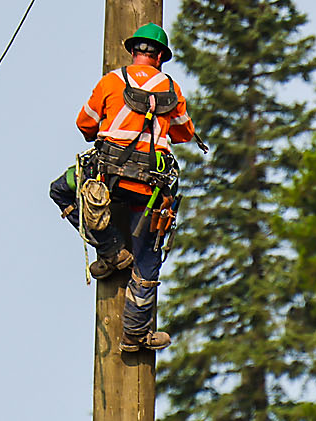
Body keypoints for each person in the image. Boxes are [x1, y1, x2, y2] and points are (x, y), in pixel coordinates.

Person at [48, 22, 198, 353]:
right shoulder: (172, 90)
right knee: (147, 257)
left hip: (106, 180)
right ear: (160, 56)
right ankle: (134, 335)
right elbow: (184, 133)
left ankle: (112, 251)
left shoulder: (111, 81)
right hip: (150, 189)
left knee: (62, 190)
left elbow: (84, 124)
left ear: (134, 52)